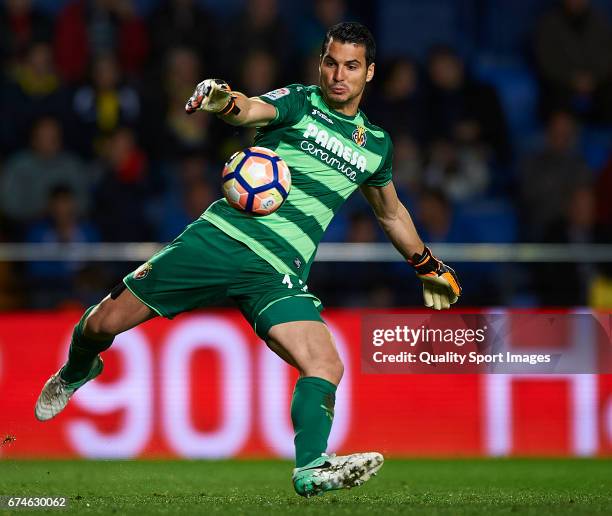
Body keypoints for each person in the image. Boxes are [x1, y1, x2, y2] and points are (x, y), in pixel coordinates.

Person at [35, 22, 462, 497]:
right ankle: (77, 370)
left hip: (279, 270)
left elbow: (391, 212)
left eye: (351, 66)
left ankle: (311, 467)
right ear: (321, 62)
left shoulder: (375, 145)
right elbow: (249, 108)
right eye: (331, 62)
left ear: (370, 73)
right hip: (219, 239)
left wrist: (428, 265)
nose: (338, 74)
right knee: (102, 323)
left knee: (326, 363)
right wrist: (221, 100)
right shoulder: (300, 101)